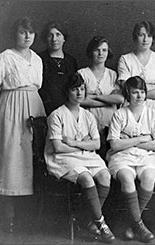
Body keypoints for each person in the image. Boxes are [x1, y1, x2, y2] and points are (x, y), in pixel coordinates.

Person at [0, 17, 46, 232]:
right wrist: (3, 114)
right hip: (10, 110)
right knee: (12, 161)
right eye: (22, 32)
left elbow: (37, 85)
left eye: (30, 33)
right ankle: (9, 217)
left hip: (34, 109)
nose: (27, 37)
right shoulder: (5, 58)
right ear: (15, 34)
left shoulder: (37, 59)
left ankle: (28, 218)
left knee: (31, 159)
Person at [44, 73, 115, 243]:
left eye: (82, 89)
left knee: (105, 176)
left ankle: (88, 218)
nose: (79, 93)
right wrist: (83, 144)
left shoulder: (88, 115)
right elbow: (58, 147)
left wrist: (74, 142)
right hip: (63, 158)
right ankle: (101, 223)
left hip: (85, 155)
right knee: (86, 178)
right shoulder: (57, 115)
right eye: (75, 89)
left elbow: (96, 144)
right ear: (66, 92)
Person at [106, 76, 155, 243]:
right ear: (127, 94)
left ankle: (132, 224)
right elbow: (115, 145)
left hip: (147, 156)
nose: (139, 96)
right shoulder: (119, 114)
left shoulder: (153, 114)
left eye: (142, 92)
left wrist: (128, 142)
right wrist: (141, 139)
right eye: (134, 92)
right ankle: (139, 224)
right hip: (122, 156)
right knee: (126, 177)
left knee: (149, 176)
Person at [117, 21, 155, 137]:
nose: (146, 39)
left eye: (149, 35)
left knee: (154, 145)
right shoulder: (126, 59)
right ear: (135, 37)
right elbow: (127, 87)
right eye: (141, 35)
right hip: (133, 108)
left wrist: (139, 92)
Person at [78, 36, 124, 158]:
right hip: (89, 121)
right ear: (90, 52)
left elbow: (120, 99)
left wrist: (94, 97)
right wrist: (108, 100)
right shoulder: (82, 74)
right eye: (97, 50)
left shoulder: (112, 74)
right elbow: (81, 99)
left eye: (104, 50)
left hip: (110, 121)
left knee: (110, 156)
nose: (100, 53)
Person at [38, 21, 78, 116]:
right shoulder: (38, 59)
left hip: (67, 110)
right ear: (45, 39)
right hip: (44, 109)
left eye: (58, 35)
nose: (54, 39)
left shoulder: (71, 61)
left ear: (64, 38)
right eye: (50, 35)